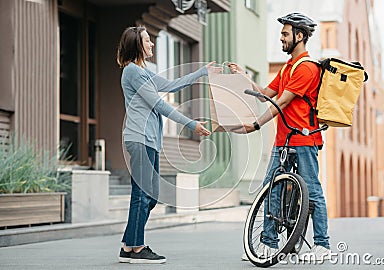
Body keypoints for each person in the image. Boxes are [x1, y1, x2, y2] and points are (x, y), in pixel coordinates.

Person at [229, 13, 331, 261]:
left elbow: (282, 102)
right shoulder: (288, 67)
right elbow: (267, 93)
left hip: (304, 140)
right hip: (284, 140)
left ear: (299, 36)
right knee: (271, 188)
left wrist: (255, 124)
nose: (281, 39)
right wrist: (244, 76)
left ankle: (322, 245)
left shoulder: (307, 68)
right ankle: (269, 243)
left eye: (285, 34)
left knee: (313, 191)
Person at [116, 26, 222, 264]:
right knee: (142, 194)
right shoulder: (132, 71)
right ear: (137, 45)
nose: (152, 44)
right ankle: (137, 248)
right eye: (147, 41)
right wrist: (191, 124)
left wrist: (202, 72)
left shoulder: (143, 72)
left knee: (150, 195)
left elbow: (173, 85)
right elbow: (159, 105)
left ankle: (128, 245)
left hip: (149, 140)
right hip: (139, 138)